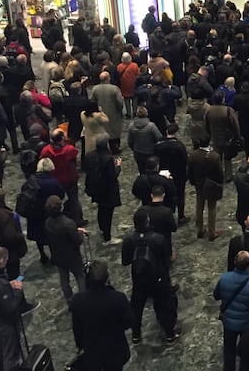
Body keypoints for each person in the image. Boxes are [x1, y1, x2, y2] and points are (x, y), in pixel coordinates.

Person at [121, 208, 179, 344]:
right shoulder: (158, 238)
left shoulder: (129, 240)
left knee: (137, 307)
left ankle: (136, 335)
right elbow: (166, 260)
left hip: (138, 278)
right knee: (164, 304)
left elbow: (126, 261)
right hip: (158, 278)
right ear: (147, 221)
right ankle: (169, 334)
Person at [71, 261, 134, 371]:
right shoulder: (118, 298)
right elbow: (128, 322)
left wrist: (81, 345)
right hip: (115, 349)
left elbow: (77, 328)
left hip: (92, 350)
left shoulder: (77, 300)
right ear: (106, 279)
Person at [214, 250, 249, 371]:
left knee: (229, 350)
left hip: (229, 322)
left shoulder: (224, 278)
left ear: (234, 262)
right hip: (247, 323)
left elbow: (216, 295)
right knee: (247, 350)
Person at [44, 195, 87, 306]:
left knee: (64, 279)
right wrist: (80, 233)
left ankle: (70, 300)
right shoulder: (68, 223)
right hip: (72, 256)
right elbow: (77, 240)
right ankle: (83, 300)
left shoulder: (48, 222)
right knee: (80, 276)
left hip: (57, 254)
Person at [40, 128, 84, 226]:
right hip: (69, 178)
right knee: (74, 200)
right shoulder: (69, 150)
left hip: (56, 179)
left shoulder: (46, 151)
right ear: (62, 138)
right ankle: (77, 220)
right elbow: (74, 153)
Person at [84, 136, 122, 245]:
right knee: (108, 213)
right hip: (107, 190)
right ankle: (107, 237)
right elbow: (112, 176)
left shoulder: (89, 155)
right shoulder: (107, 158)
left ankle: (102, 229)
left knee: (101, 209)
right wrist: (118, 167)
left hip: (95, 188)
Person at [187, 144, 224, 240]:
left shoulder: (193, 155)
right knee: (211, 208)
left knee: (199, 206)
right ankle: (212, 233)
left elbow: (190, 171)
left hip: (199, 184)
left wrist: (192, 181)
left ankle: (199, 229)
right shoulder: (215, 156)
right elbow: (220, 173)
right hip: (211, 185)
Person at [155, 123, 189, 224]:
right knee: (180, 195)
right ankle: (181, 216)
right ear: (176, 132)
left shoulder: (158, 145)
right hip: (179, 174)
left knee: (166, 195)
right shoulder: (179, 146)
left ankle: (167, 215)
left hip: (163, 174)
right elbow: (185, 160)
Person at [206, 90, 241, 181]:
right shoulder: (228, 110)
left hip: (215, 137)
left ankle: (218, 174)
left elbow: (206, 124)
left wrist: (209, 134)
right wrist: (237, 136)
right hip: (227, 137)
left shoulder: (209, 110)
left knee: (217, 157)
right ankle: (228, 175)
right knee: (227, 158)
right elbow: (235, 125)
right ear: (222, 99)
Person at [90, 71, 124, 153]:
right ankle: (114, 148)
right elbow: (119, 102)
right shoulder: (114, 88)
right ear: (108, 78)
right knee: (114, 131)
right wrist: (120, 110)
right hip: (113, 113)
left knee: (103, 130)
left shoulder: (95, 89)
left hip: (100, 114)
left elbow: (92, 101)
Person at [127, 105, 163, 174]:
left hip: (138, 152)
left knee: (141, 171)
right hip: (150, 152)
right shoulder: (151, 126)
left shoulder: (131, 126)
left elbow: (129, 141)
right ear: (146, 114)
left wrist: (134, 149)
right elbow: (159, 138)